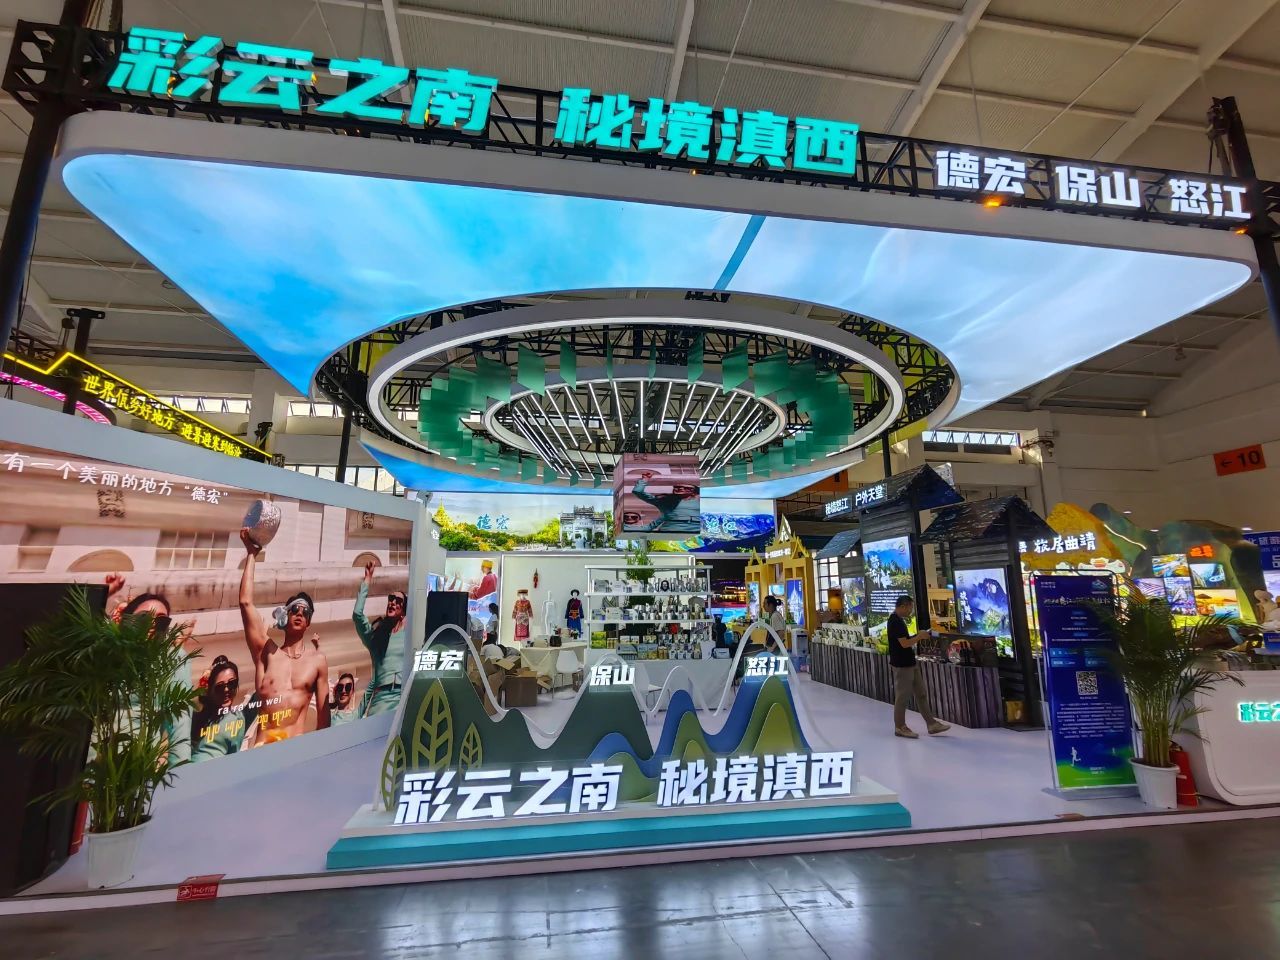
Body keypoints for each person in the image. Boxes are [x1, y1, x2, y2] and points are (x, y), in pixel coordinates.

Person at [239, 528, 330, 741]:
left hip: (293, 749)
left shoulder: (317, 661)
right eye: (295, 610)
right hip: (263, 748)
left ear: (308, 622)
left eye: (305, 612)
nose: (299, 614)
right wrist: (251, 554)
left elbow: (324, 721)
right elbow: (245, 603)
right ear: (285, 617)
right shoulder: (267, 652)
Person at [886, 595, 950, 739]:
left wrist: (918, 635)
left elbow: (906, 639)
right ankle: (900, 727)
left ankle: (932, 724)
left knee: (921, 694)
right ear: (903, 606)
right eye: (910, 608)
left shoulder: (900, 620)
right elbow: (904, 644)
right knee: (902, 697)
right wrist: (919, 637)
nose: (911, 611)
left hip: (910, 663)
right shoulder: (895, 621)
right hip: (902, 665)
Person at [353, 561, 406, 717]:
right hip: (379, 702)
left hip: (403, 698)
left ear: (403, 611)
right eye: (391, 599)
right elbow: (357, 614)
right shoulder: (376, 637)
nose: (393, 603)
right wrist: (367, 579)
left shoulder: (410, 635)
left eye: (398, 601)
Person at [190, 656, 257, 761]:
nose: (226, 689)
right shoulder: (237, 718)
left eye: (232, 683)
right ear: (210, 689)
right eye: (219, 687)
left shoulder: (196, 717)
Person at [632, 469, 699, 532]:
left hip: (695, 530)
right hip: (671, 531)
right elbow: (638, 492)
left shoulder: (699, 502)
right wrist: (645, 479)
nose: (681, 489)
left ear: (694, 492)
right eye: (677, 487)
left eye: (687, 488)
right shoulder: (665, 501)